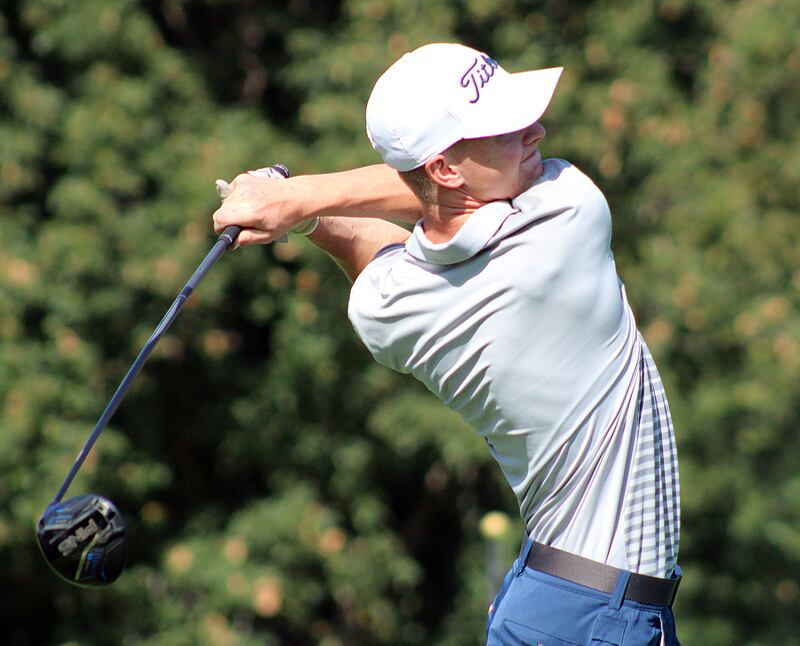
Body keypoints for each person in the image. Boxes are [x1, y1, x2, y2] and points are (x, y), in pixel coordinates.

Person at [213, 42, 681, 645]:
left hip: (550, 605)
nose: (536, 131)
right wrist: (298, 197)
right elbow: (422, 206)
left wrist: (299, 212)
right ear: (445, 168)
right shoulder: (568, 213)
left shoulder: (387, 311)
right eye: (509, 129)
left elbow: (382, 241)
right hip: (599, 615)